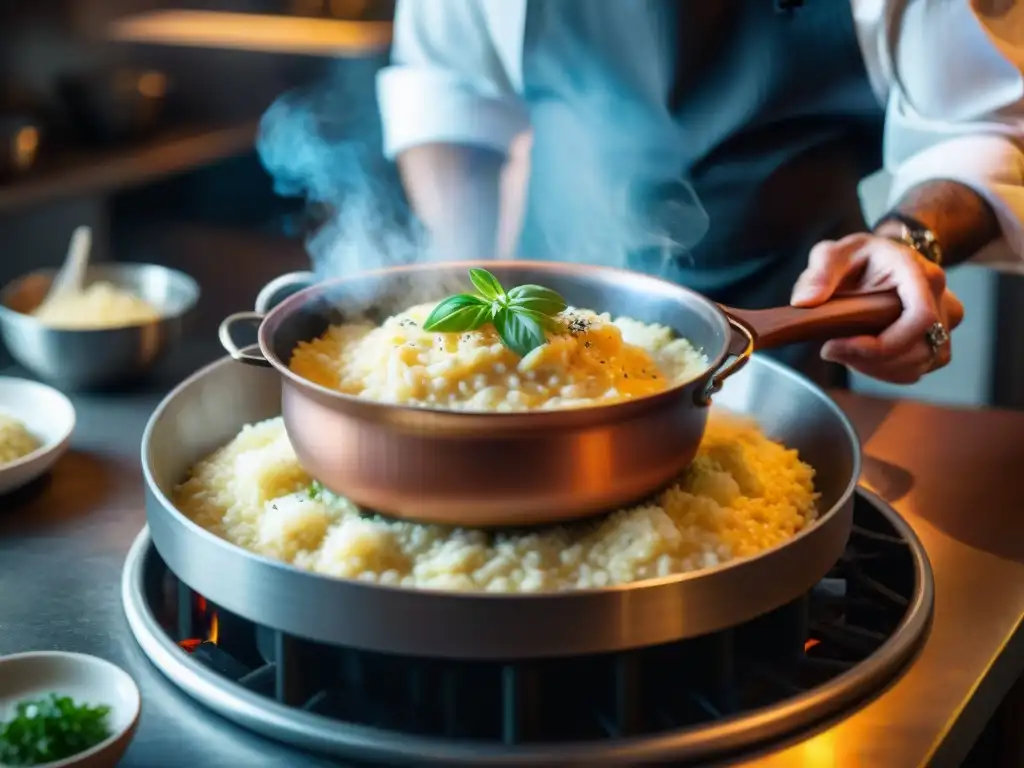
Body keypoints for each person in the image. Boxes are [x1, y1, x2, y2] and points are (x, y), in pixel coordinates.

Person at [374, 0, 1024, 385]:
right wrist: (468, 289)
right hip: (547, 315)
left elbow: (989, 121)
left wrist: (905, 243)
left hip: (789, 331)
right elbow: (449, 89)